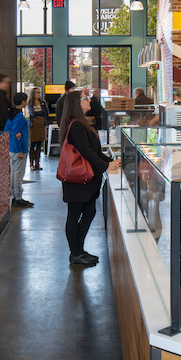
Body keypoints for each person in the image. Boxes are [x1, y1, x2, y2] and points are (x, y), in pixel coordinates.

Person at [59, 90, 120, 267]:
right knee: (75, 215)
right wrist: (106, 166)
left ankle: (79, 250)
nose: (88, 100)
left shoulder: (80, 123)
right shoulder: (76, 125)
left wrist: (111, 161)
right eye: (85, 99)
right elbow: (86, 153)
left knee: (89, 212)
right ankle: (76, 253)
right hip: (79, 181)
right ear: (77, 104)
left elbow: (94, 152)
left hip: (86, 180)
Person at [6, 92, 32, 208]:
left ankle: (14, 196)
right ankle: (18, 198)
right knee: (18, 174)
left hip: (12, 148)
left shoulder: (11, 114)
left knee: (13, 173)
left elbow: (8, 130)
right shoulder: (20, 117)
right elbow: (15, 132)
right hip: (18, 150)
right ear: (23, 102)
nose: (27, 102)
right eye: (26, 100)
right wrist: (20, 150)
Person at [25, 87, 49, 170]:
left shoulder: (43, 102)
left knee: (39, 143)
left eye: (39, 92)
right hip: (34, 125)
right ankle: (31, 164)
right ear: (33, 94)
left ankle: (37, 164)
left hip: (42, 124)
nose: (38, 94)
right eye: (37, 93)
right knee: (33, 143)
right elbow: (32, 113)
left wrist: (38, 113)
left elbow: (46, 113)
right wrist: (40, 113)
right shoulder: (30, 103)